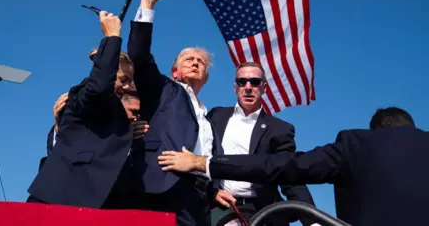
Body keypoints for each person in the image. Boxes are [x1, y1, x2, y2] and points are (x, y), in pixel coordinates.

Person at [158, 107, 428, 225]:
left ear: (375, 132)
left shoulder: (356, 144)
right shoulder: (217, 115)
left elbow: (285, 166)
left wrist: (204, 162)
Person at [128, 0, 223, 225]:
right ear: (174, 72)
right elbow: (138, 55)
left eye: (200, 62)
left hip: (200, 202)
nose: (194, 62)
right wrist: (148, 1)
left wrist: (216, 189)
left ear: (206, 77)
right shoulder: (164, 90)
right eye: (188, 59)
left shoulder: (207, 117)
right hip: (162, 191)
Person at [27, 11, 137, 208]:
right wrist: (112, 37)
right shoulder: (85, 92)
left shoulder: (115, 115)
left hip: (94, 203)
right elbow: (100, 87)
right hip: (61, 198)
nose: (127, 86)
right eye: (123, 79)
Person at [207, 62, 316, 226]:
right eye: (242, 82)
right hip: (221, 208)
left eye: (255, 82)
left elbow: (290, 174)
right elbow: (199, 154)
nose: (248, 87)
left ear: (264, 88)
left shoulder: (280, 129)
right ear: (235, 87)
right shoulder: (216, 116)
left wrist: (313, 221)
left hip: (263, 211)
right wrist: (212, 192)